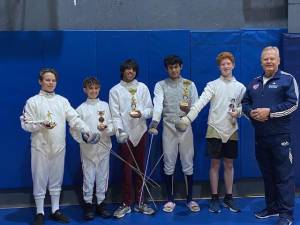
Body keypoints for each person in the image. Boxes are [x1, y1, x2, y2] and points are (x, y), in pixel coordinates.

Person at [20, 68, 98, 225]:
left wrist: (86, 129)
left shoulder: (62, 101)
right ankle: (40, 212)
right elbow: (25, 124)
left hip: (58, 146)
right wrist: (41, 124)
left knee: (56, 179)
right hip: (40, 146)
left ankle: (55, 210)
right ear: (40, 81)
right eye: (47, 80)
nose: (51, 83)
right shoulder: (32, 101)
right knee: (39, 178)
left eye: (53, 80)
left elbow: (74, 118)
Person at [176, 52, 246, 213]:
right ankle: (214, 197)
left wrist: (239, 112)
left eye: (228, 63)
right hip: (214, 128)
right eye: (223, 64)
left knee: (229, 164)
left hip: (232, 129)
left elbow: (246, 106)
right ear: (219, 67)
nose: (226, 66)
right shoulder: (212, 85)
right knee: (215, 164)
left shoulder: (240, 87)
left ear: (233, 65)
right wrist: (187, 119)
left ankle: (229, 197)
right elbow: (200, 103)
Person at [242, 46, 298, 225]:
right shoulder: (254, 83)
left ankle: (286, 215)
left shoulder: (287, 80)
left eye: (272, 58)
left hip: (280, 137)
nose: (269, 61)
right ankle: (272, 207)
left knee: (284, 176)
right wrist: (250, 112)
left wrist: (270, 112)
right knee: (268, 175)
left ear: (279, 60)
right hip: (261, 138)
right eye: (266, 58)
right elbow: (245, 102)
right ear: (261, 61)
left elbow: (293, 104)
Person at [149, 55, 200, 213]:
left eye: (176, 66)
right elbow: (158, 104)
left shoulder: (189, 85)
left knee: (187, 162)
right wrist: (155, 121)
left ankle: (190, 199)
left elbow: (196, 106)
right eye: (171, 67)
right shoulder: (160, 85)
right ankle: (170, 200)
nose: (174, 70)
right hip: (168, 126)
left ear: (181, 67)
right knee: (169, 162)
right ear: (167, 69)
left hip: (185, 126)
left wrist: (187, 116)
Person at [109, 59, 155, 218]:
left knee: (141, 168)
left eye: (133, 69)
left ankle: (141, 202)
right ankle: (126, 203)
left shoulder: (142, 88)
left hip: (141, 132)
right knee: (127, 170)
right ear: (122, 71)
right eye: (127, 69)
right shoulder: (115, 90)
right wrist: (120, 132)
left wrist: (141, 113)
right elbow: (115, 115)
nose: (130, 72)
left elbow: (151, 110)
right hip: (125, 135)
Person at [70, 77, 114, 220]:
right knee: (88, 178)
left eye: (96, 88)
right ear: (85, 90)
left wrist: (107, 129)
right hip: (88, 150)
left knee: (102, 177)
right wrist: (84, 138)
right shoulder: (80, 109)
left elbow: (114, 124)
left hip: (104, 148)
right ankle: (88, 205)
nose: (93, 91)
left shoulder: (106, 106)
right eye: (90, 88)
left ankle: (101, 204)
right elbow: (74, 129)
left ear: (99, 89)